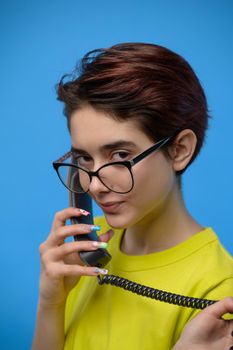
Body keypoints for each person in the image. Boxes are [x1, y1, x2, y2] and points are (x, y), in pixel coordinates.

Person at [32, 43, 233, 350]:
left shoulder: (219, 288)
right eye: (84, 158)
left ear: (179, 150)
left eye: (120, 154)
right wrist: (50, 304)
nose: (95, 185)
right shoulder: (84, 251)